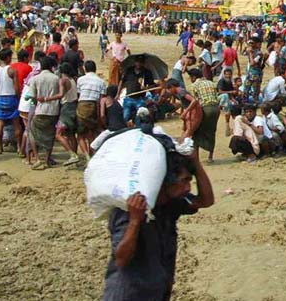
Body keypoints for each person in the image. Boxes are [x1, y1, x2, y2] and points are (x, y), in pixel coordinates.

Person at [101, 151, 214, 301]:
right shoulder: (130, 209)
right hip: (129, 293)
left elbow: (205, 200)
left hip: (158, 289)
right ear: (165, 180)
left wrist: (196, 164)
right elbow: (121, 259)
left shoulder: (171, 203)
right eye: (184, 181)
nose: (188, 188)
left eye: (189, 181)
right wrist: (135, 221)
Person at [0, 48, 22, 155]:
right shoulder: (12, 71)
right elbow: (17, 89)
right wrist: (18, 98)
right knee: (16, 124)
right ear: (7, 58)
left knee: (0, 124)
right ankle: (19, 148)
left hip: (0, 98)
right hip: (11, 98)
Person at [28, 56, 60, 170]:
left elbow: (32, 96)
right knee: (50, 134)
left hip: (40, 110)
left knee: (32, 133)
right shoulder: (56, 78)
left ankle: (37, 158)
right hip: (53, 111)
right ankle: (47, 159)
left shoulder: (35, 79)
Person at [187, 68, 220, 163]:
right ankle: (210, 156)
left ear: (193, 77)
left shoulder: (194, 85)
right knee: (211, 131)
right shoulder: (211, 82)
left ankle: (196, 157)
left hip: (206, 109)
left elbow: (195, 101)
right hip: (216, 109)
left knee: (196, 132)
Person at [76, 60, 106, 160]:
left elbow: (78, 94)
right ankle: (92, 154)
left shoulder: (80, 80)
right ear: (95, 69)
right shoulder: (101, 81)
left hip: (82, 106)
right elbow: (101, 99)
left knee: (80, 135)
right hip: (94, 107)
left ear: (85, 68)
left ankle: (86, 155)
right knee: (91, 133)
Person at [55, 63, 81, 167]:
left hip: (66, 108)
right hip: (73, 107)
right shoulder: (73, 80)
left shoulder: (63, 80)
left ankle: (72, 154)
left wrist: (46, 98)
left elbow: (61, 95)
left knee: (58, 134)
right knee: (71, 134)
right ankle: (74, 157)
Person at [121, 55, 155, 124]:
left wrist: (146, 88)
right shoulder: (129, 70)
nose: (139, 64)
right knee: (125, 117)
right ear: (135, 62)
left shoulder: (147, 72)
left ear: (143, 63)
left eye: (141, 62)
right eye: (137, 62)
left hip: (140, 99)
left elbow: (153, 85)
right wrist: (118, 94)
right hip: (128, 98)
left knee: (139, 118)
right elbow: (121, 82)